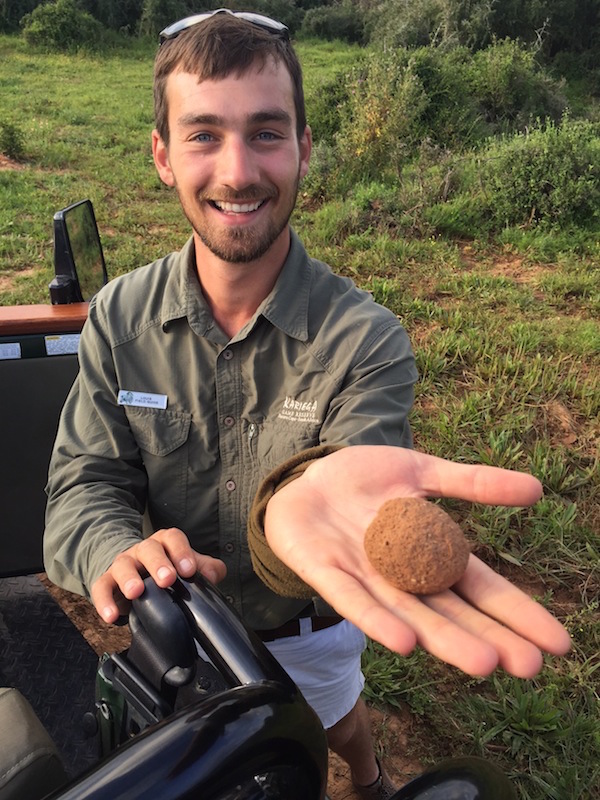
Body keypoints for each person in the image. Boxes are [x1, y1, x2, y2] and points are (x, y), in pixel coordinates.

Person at [43, 10, 570, 800]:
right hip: (176, 626)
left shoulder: (368, 341)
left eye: (265, 132)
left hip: (308, 627)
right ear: (161, 155)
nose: (238, 170)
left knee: (330, 714)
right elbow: (84, 479)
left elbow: (356, 466)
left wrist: (310, 503)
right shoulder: (119, 317)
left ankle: (366, 773)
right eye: (203, 135)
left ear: (303, 148)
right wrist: (114, 549)